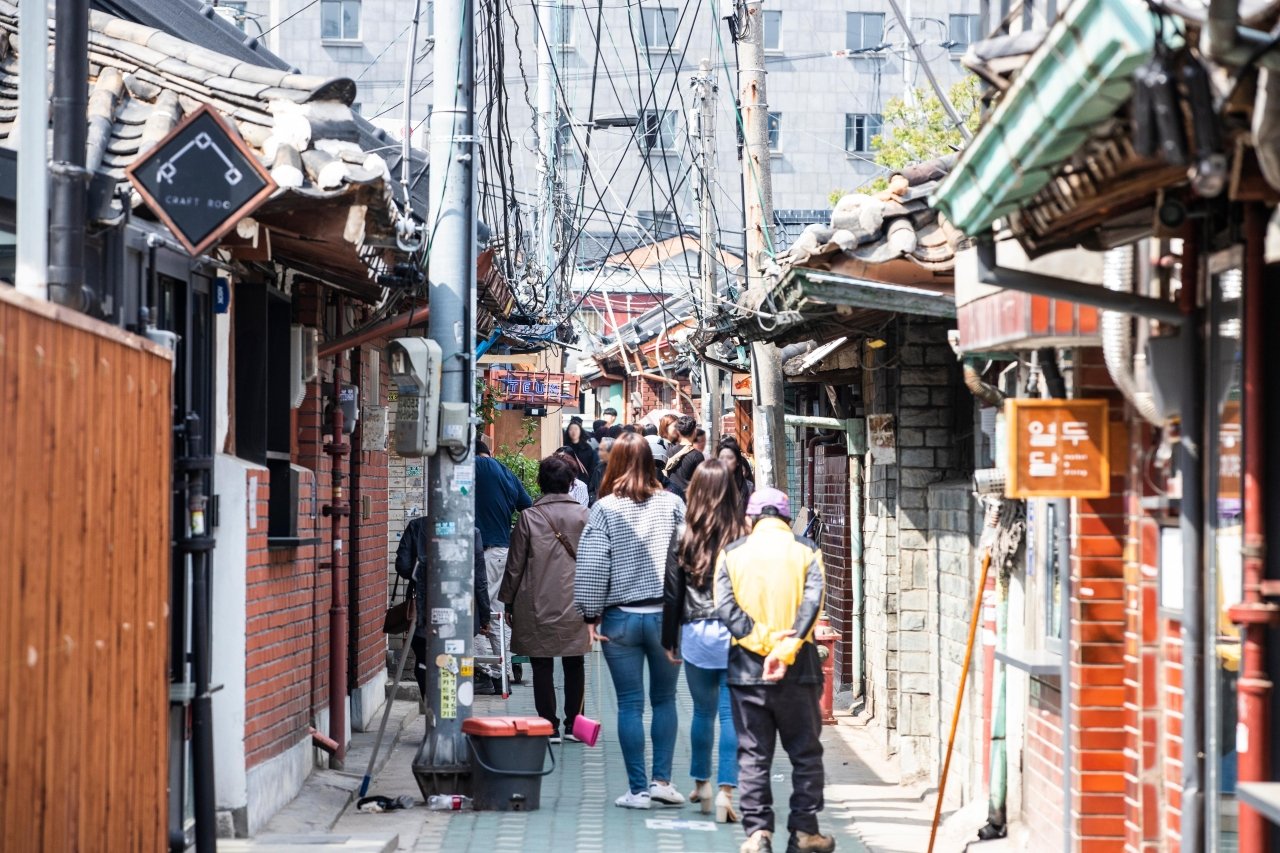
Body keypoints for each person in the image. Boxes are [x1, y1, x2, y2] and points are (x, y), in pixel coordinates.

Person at [715, 488, 834, 853]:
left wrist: (763, 642)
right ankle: (804, 831)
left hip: (748, 668)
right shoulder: (807, 550)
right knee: (805, 753)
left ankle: (757, 833)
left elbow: (725, 607)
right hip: (799, 667)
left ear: (750, 519)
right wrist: (783, 649)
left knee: (753, 753)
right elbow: (814, 603)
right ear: (784, 520)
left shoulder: (731, 554)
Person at [575, 432, 687, 810]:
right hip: (665, 619)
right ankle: (663, 782)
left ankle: (637, 790)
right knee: (666, 700)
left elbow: (593, 565)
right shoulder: (673, 504)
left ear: (616, 463)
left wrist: (590, 615)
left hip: (620, 619)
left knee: (628, 705)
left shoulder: (604, 508)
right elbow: (689, 562)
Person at [662, 461, 747, 823]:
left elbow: (672, 591)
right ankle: (729, 790)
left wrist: (670, 639)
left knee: (702, 712)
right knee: (732, 714)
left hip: (697, 631)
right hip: (736, 633)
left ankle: (703, 784)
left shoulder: (685, 532)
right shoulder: (743, 532)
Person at [499, 455, 591, 743]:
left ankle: (548, 726)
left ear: (539, 483)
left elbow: (515, 565)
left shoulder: (529, 517)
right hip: (577, 601)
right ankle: (575, 726)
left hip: (535, 601)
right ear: (571, 483)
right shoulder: (586, 516)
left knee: (541, 664)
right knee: (575, 662)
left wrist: (508, 601)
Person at [396, 522, 499, 695]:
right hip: (461, 612)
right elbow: (480, 579)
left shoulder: (417, 526)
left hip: (423, 607)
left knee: (424, 660)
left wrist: (423, 572)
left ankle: (431, 703)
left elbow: (403, 566)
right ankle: (448, 705)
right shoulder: (472, 532)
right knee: (454, 660)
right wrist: (484, 616)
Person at [475, 436, 533, 681]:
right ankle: (504, 670)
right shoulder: (506, 472)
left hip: (476, 552)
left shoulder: (468, 467)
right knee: (497, 612)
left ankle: (482, 670)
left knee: (475, 610)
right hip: (502, 551)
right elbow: (527, 505)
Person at [664, 415, 705, 499]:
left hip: (672, 495)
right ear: (694, 431)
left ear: (678, 432)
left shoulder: (669, 451)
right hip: (690, 498)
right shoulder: (697, 455)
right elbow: (701, 481)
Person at [717, 436, 756, 510]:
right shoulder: (712, 483)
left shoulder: (748, 486)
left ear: (738, 461)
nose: (725, 461)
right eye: (721, 458)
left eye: (729, 458)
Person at [564, 421, 599, 496]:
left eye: (576, 429)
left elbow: (592, 467)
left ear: (580, 431)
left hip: (584, 482)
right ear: (568, 432)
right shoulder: (565, 448)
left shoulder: (587, 448)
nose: (574, 432)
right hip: (568, 483)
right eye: (571, 429)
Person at [589, 436, 614, 502]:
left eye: (601, 450)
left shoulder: (622, 469)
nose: (598, 453)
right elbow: (591, 490)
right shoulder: (598, 468)